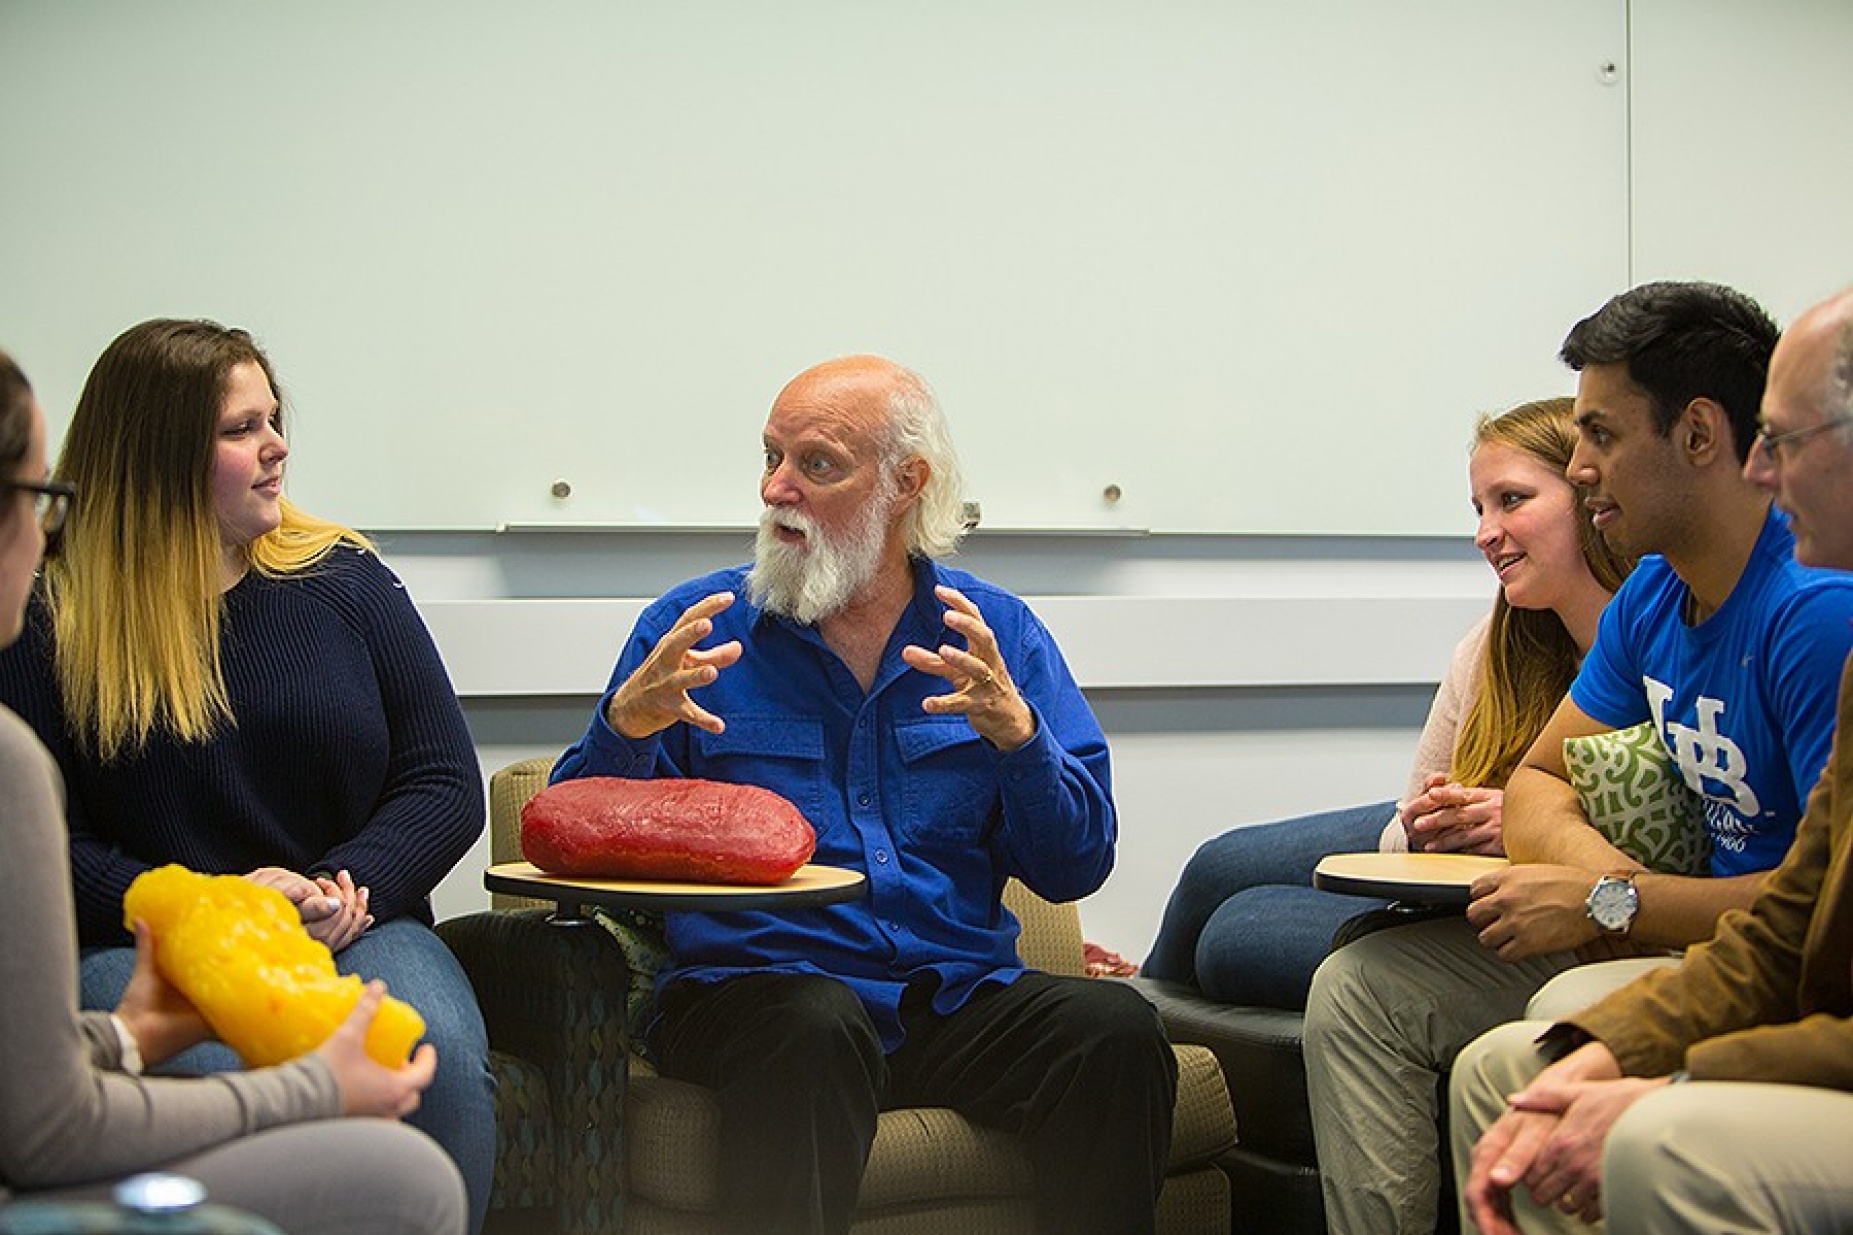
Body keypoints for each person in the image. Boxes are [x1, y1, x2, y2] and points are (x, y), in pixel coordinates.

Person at [553, 354, 1178, 1235]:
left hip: (949, 993)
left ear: (904, 484)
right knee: (814, 1024)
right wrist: (627, 725)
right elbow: (567, 841)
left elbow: (1076, 863)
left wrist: (1020, 740)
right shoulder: (693, 631)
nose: (777, 488)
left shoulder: (991, 635)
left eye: (816, 465)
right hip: (759, 994)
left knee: (1111, 1029)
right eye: (771, 457)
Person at [1302, 281, 1853, 1234]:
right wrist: (1611, 892)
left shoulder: (1815, 614)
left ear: (1693, 435)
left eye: (1597, 436)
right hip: (1679, 932)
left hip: (1735, 966)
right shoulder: (1651, 592)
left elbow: (1798, 932)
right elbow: (1537, 783)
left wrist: (1615, 912)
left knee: (1576, 1049)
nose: (1583, 464)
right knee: (1366, 985)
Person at [0, 320, 494, 1233]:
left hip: (349, 918)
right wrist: (214, 907)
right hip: (145, 940)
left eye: (274, 420)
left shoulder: (344, 577)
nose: (277, 449)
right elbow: (42, 846)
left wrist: (339, 884)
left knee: (438, 1057)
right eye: (241, 430)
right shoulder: (48, 614)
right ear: (156, 456)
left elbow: (442, 780)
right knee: (206, 1077)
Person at [1143, 398, 1631, 1010]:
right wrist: (1429, 827)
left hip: (1528, 899)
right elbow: (1409, 824)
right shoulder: (1492, 645)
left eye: (1512, 501)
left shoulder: (1663, 640)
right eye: (1480, 509)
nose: (1485, 534)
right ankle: (1130, 1031)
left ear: (1589, 496)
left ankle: (1139, 1040)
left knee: (1238, 933)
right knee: (1217, 866)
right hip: (1448, 876)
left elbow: (1652, 860)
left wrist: (1522, 827)